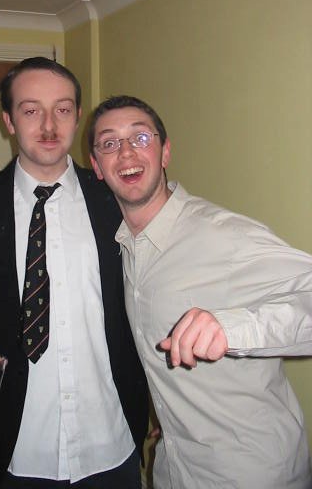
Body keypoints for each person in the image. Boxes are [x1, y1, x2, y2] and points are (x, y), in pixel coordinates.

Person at [0, 60, 148, 489]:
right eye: (31, 110)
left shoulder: (115, 199)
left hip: (111, 441)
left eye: (62, 109)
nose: (48, 125)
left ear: (77, 117)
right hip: (13, 450)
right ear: (8, 120)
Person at [88, 94, 312, 489]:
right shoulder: (125, 246)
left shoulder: (224, 235)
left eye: (140, 138)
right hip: (174, 467)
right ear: (97, 167)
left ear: (165, 152)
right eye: (109, 143)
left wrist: (231, 329)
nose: (125, 152)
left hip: (252, 474)